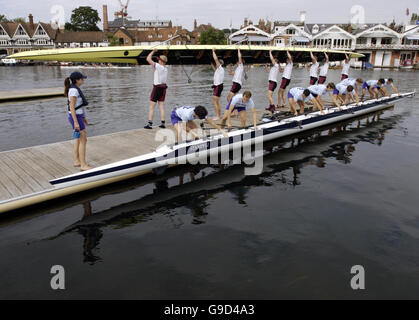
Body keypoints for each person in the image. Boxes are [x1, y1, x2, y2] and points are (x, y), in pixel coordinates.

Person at [64, 71, 92, 171]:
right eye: (82, 79)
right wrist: (76, 122)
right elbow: (71, 107)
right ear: (77, 80)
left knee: (77, 138)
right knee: (83, 140)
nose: (83, 80)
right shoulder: (74, 91)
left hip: (78, 116)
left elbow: (79, 106)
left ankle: (77, 160)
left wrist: (84, 117)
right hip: (75, 117)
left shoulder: (74, 89)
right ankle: (83, 165)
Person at [144, 49, 168, 129]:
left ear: (162, 62)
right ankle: (163, 123)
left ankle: (150, 124)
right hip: (163, 88)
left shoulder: (159, 66)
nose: (158, 61)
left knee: (151, 107)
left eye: (159, 60)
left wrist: (153, 51)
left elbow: (148, 59)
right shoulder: (165, 69)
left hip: (157, 88)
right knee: (161, 106)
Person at [211, 48, 225, 120]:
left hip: (218, 86)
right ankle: (219, 115)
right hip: (220, 86)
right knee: (218, 101)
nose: (216, 63)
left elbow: (216, 59)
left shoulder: (220, 68)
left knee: (214, 101)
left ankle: (217, 116)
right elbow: (214, 69)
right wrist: (211, 64)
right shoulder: (219, 70)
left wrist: (213, 51)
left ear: (220, 64)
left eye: (218, 63)